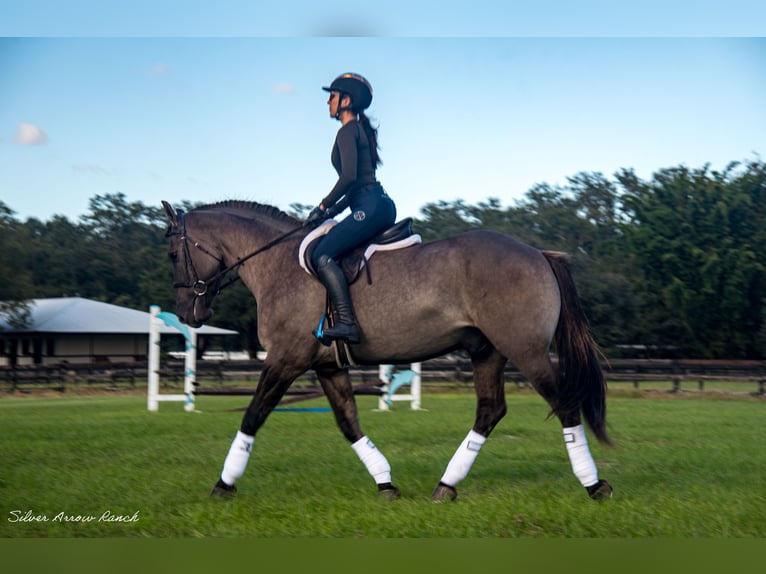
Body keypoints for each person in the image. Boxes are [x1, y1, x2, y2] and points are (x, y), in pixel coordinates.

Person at [305, 73, 396, 344]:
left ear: (346, 100)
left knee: (322, 255)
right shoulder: (358, 130)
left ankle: (347, 323)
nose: (328, 103)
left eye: (331, 97)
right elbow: (355, 187)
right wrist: (327, 214)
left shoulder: (347, 130)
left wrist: (323, 205)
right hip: (374, 203)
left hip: (370, 205)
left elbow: (349, 179)